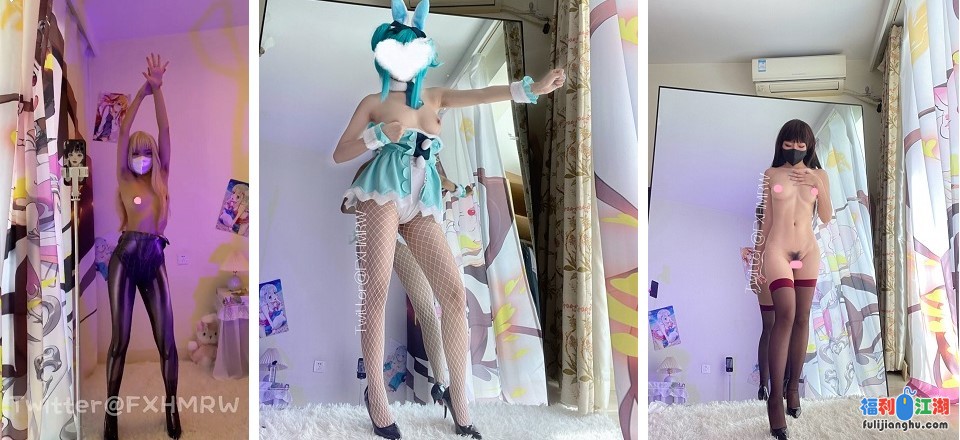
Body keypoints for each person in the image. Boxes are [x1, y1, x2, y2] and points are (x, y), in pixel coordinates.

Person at [333, 1, 564, 438]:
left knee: (454, 295)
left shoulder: (435, 97)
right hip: (380, 194)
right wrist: (377, 135)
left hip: (421, 202)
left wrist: (534, 87)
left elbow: (483, 95)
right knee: (376, 292)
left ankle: (460, 399)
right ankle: (377, 397)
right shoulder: (373, 102)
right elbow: (340, 152)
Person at [105, 53, 181, 439]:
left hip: (154, 256)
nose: (141, 157)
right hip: (124, 257)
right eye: (136, 152)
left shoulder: (162, 175)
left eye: (146, 151)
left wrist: (159, 90)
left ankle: (171, 409)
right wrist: (141, 92)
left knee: (167, 341)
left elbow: (165, 129)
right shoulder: (124, 177)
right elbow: (124, 131)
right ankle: (110, 416)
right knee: (119, 341)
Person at [752, 119, 832, 440]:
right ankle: (775, 398)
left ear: (809, 145)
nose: (795, 149)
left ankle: (793, 389)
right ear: (781, 144)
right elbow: (766, 222)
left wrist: (816, 182)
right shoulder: (771, 174)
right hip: (778, 250)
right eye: (789, 143)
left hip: (807, 251)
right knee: (785, 314)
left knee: (802, 318)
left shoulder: (819, 175)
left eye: (801, 144)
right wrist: (757, 264)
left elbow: (826, 216)